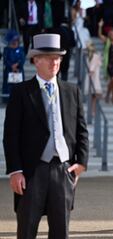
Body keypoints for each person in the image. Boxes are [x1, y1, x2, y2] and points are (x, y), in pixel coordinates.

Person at [3, 33, 89, 238]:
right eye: (49, 57)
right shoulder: (21, 92)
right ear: (36, 60)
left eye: (58, 57)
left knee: (61, 231)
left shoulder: (72, 91)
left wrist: (81, 163)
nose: (55, 62)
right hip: (31, 171)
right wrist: (15, 170)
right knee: (26, 228)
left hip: (63, 170)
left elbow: (81, 130)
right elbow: (11, 134)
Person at [2, 30, 25, 103]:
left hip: (19, 71)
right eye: (13, 40)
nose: (14, 42)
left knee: (19, 87)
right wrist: (11, 66)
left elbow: (22, 59)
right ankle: (7, 100)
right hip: (9, 71)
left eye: (16, 40)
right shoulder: (6, 49)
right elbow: (5, 60)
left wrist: (17, 65)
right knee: (9, 88)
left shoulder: (21, 49)